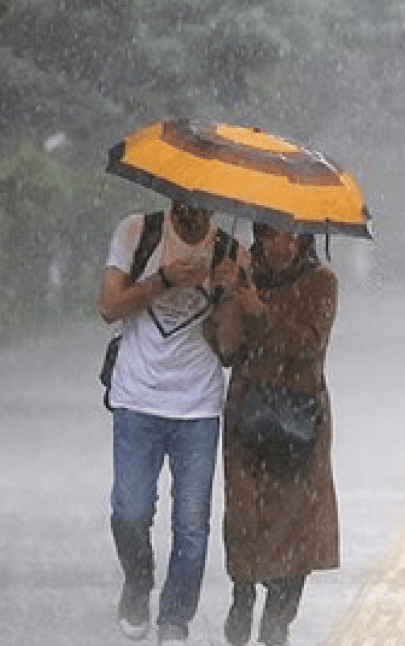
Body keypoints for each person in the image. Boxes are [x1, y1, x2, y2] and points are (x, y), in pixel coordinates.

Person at [98, 199, 241, 646]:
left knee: (192, 523)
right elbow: (108, 306)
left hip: (197, 406)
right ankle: (139, 583)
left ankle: (176, 618)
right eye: (184, 204)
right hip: (137, 399)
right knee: (130, 511)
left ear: (216, 206)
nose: (191, 215)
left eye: (202, 207)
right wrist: (162, 280)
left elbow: (233, 348)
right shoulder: (137, 231)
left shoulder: (230, 252)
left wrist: (227, 293)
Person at [204, 222, 340, 646]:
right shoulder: (243, 270)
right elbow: (225, 349)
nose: (266, 242)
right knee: (246, 515)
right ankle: (242, 595)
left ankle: (279, 619)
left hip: (299, 414)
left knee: (299, 524)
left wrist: (259, 309)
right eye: (260, 233)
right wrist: (225, 296)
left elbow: (308, 345)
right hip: (249, 410)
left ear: (299, 237)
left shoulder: (321, 281)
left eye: (275, 233)